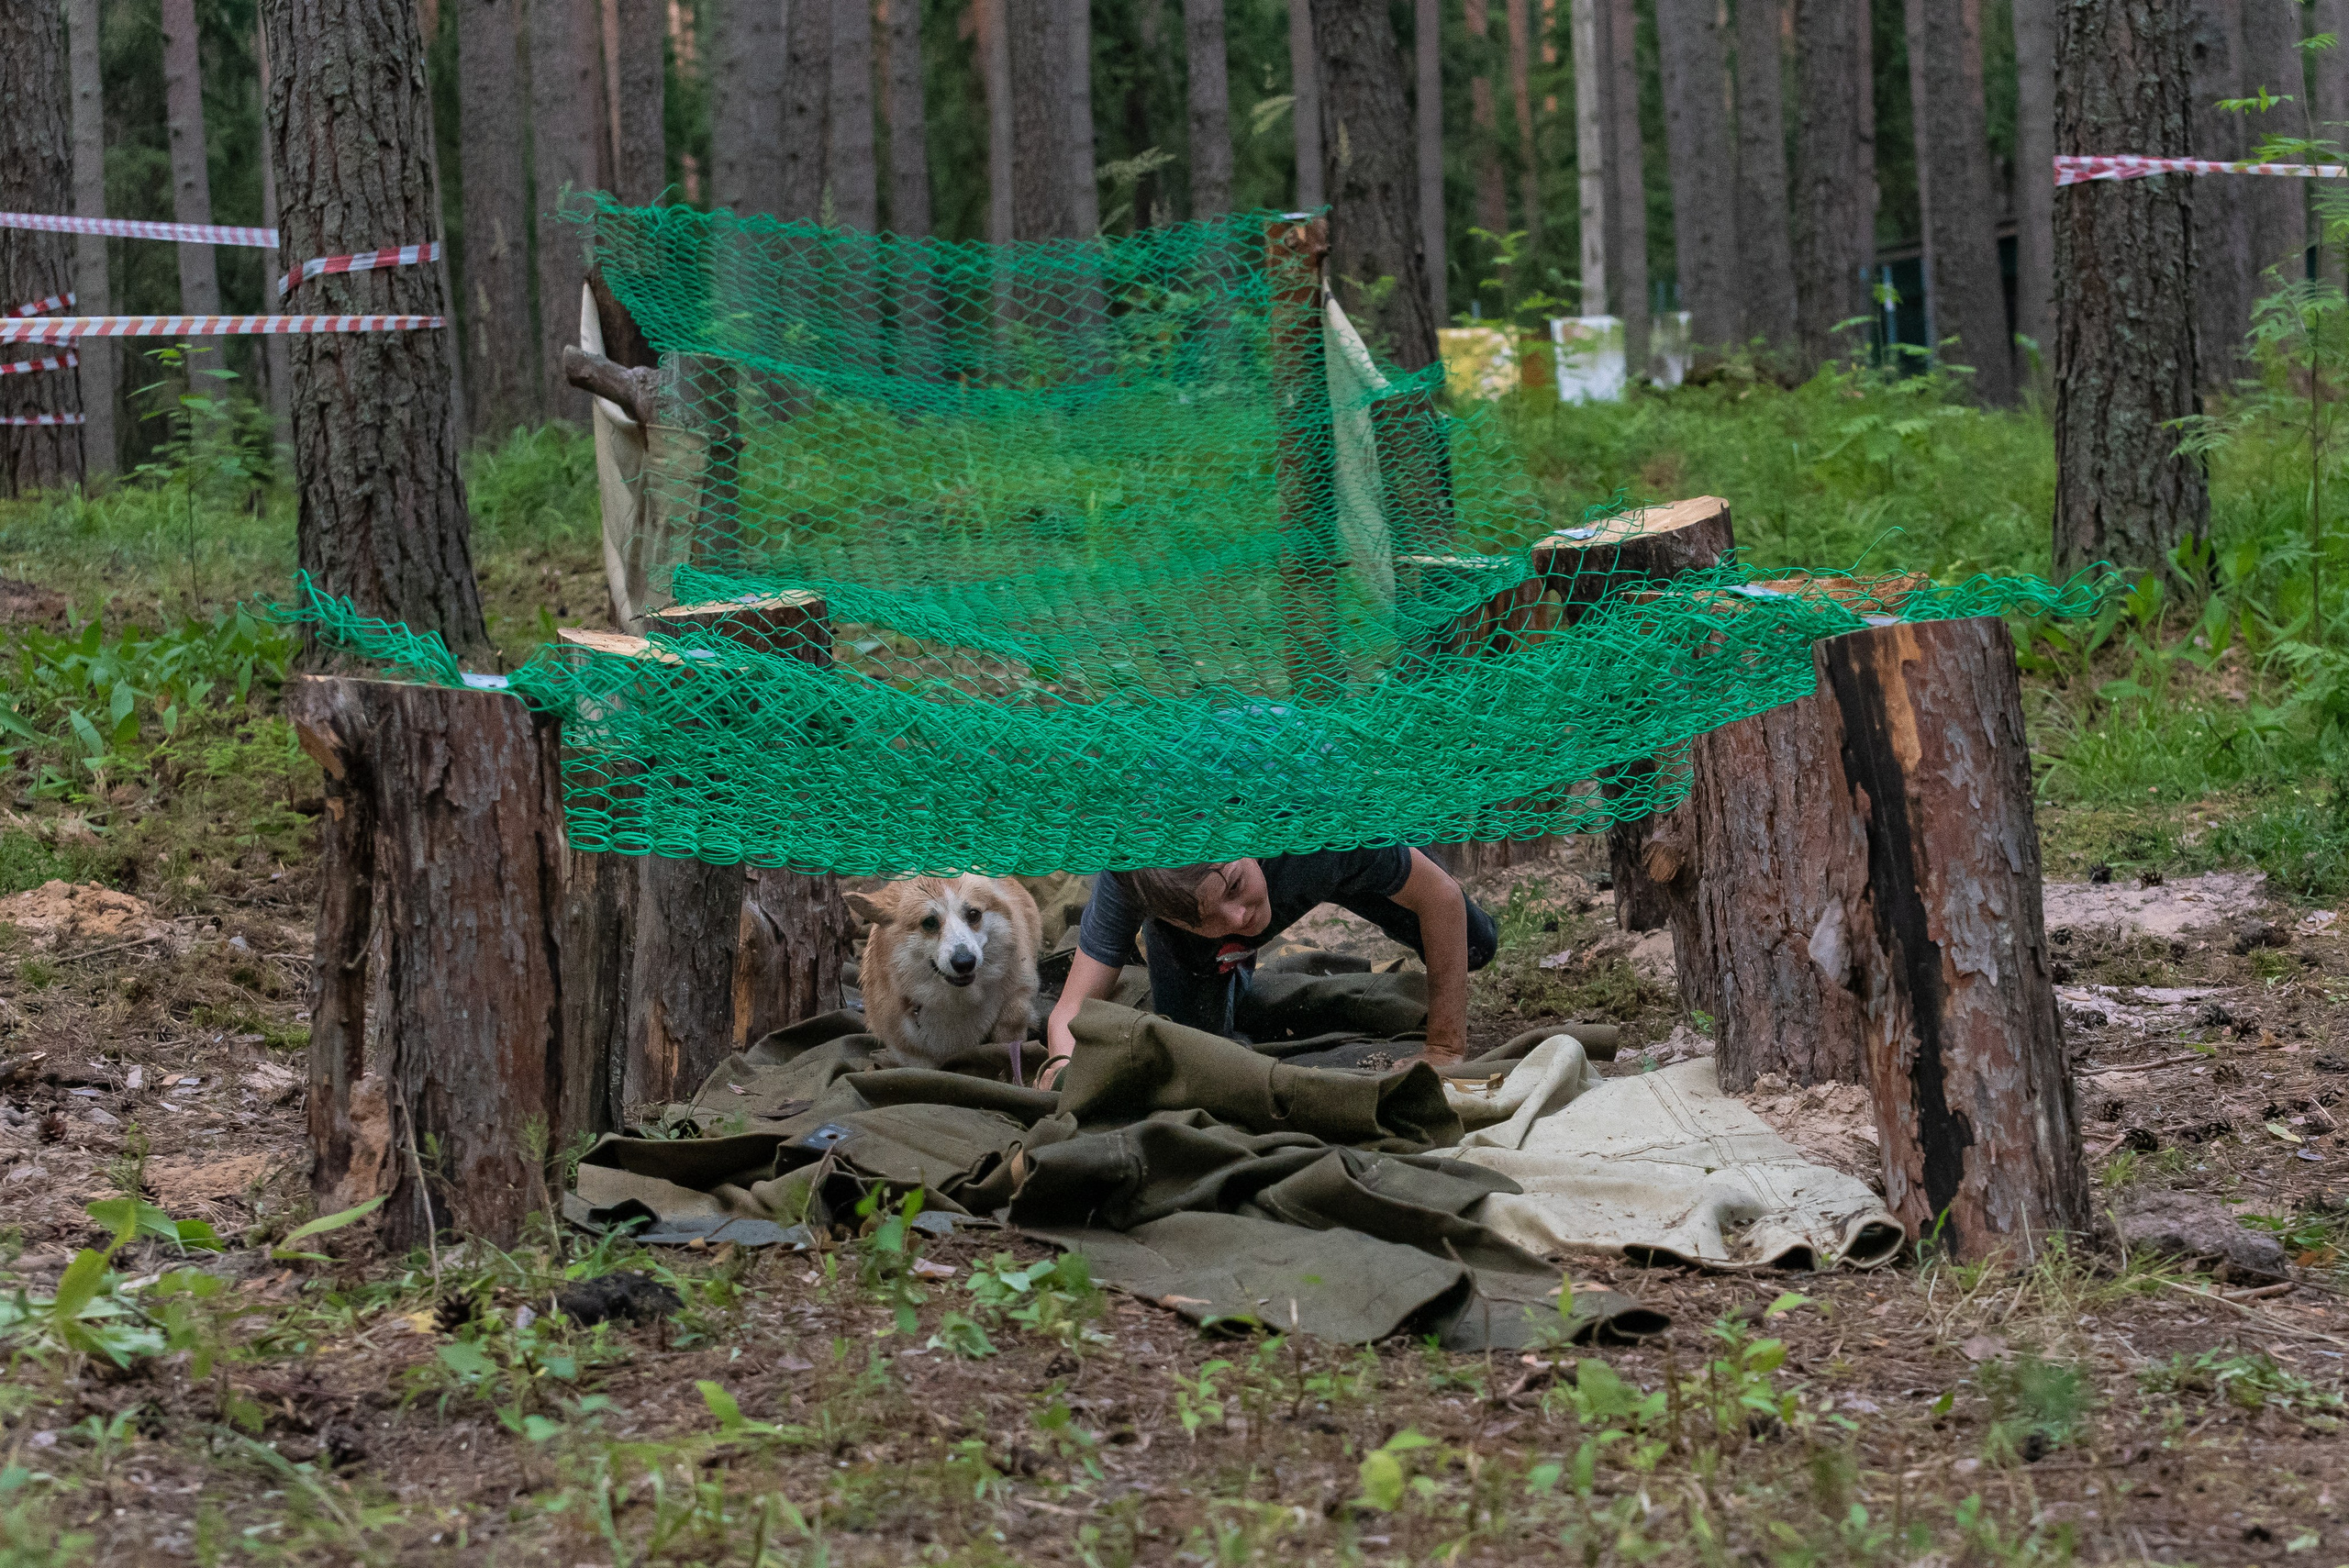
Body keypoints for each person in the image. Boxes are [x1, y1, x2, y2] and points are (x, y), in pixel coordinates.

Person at [1039, 849, 1498, 1088]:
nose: (1238, 918)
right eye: (1204, 916)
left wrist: (1444, 1045)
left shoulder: (1324, 820)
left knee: (1474, 945)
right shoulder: (1131, 881)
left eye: (1235, 886)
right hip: (1210, 901)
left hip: (1321, 839)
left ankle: (1225, 919)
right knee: (1198, 1056)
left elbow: (1438, 896)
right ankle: (1220, 962)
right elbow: (1070, 1011)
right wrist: (1061, 1070)